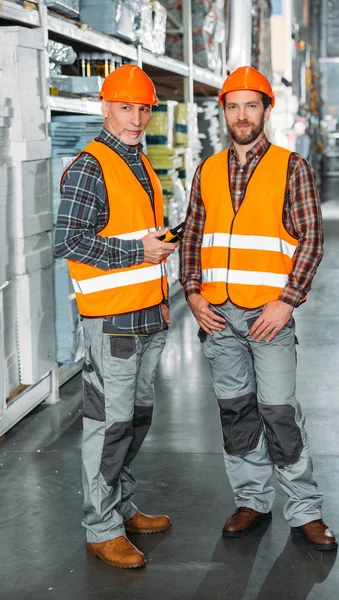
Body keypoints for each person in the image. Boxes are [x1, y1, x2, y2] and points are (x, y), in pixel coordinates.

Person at [180, 66, 337, 551]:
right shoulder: (207, 169)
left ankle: (305, 510)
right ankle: (251, 500)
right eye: (233, 106)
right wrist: (192, 292)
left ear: (267, 110)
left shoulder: (292, 167)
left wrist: (286, 303)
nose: (242, 115)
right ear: (223, 111)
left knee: (279, 412)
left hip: (269, 317)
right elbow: (192, 236)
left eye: (252, 105)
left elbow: (311, 240)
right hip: (218, 317)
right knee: (236, 412)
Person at [54, 64, 178, 569]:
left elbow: (140, 237)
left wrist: (160, 282)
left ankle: (121, 506)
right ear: (104, 107)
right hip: (110, 322)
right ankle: (100, 527)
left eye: (143, 108)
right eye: (125, 107)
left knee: (135, 419)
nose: (135, 118)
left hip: (147, 314)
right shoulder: (90, 165)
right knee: (108, 424)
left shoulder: (140, 163)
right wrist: (139, 256)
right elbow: (68, 241)